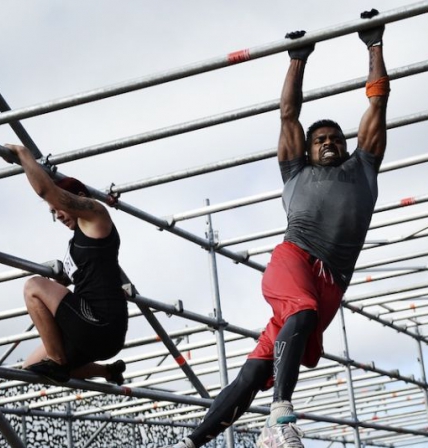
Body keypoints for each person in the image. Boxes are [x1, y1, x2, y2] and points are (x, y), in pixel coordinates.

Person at [172, 9, 389, 448]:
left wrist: (374, 44)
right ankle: (281, 416)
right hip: (294, 259)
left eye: (335, 139)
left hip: (333, 281)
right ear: (307, 150)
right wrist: (297, 58)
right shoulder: (294, 172)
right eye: (320, 139)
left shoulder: (363, 167)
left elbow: (378, 102)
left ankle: (190, 443)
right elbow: (288, 115)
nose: (329, 142)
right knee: (302, 310)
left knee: (255, 370)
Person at [5, 144, 128, 385]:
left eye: (59, 208)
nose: (58, 215)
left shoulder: (96, 215)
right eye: (53, 212)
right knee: (32, 368)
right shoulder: (76, 243)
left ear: (78, 199)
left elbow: (45, 190)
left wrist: (23, 155)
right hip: (90, 329)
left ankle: (58, 361)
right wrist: (62, 279)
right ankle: (109, 372)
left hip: (101, 320)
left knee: (33, 286)